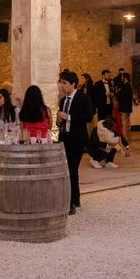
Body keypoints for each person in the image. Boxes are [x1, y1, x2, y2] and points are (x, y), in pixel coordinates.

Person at [57, 70, 93, 215]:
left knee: (71, 169)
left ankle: (70, 203)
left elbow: (88, 117)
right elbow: (61, 120)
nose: (62, 85)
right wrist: (59, 121)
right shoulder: (63, 100)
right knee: (69, 170)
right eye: (61, 82)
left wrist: (69, 117)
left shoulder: (83, 98)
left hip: (77, 139)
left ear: (73, 84)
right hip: (64, 138)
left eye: (64, 83)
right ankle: (75, 199)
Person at [0, 88, 19, 163]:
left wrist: (12, 129)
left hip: (10, 141)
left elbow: (20, 126)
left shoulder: (15, 110)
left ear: (5, 98)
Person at [116, 72, 133, 142]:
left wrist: (117, 92)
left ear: (125, 78)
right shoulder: (129, 85)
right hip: (128, 106)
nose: (121, 78)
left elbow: (120, 96)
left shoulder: (125, 86)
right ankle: (128, 137)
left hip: (124, 107)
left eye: (122, 77)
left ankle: (124, 137)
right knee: (127, 122)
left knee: (124, 122)